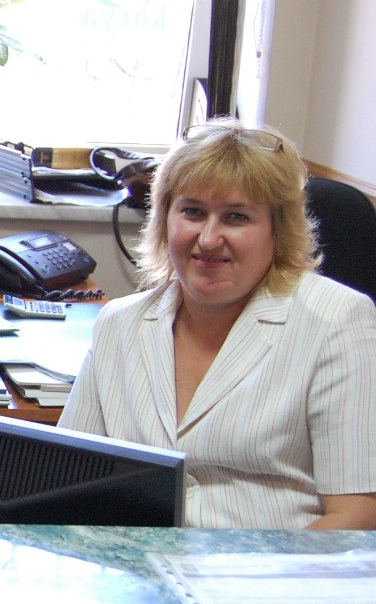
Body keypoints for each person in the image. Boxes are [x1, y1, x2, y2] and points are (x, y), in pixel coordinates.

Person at [58, 118, 376, 529]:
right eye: (192, 212)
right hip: (134, 563)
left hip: (273, 565)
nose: (208, 239)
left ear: (278, 231)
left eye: (236, 217)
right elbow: (66, 483)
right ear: (165, 219)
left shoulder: (336, 321)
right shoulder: (119, 324)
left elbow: (357, 514)